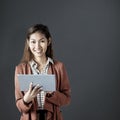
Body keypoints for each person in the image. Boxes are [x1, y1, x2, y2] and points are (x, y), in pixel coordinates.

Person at [14, 24, 71, 120]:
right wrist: (26, 99)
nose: (37, 46)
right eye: (33, 42)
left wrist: (52, 93)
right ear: (28, 43)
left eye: (42, 41)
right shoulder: (20, 69)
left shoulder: (59, 67)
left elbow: (67, 99)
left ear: (48, 41)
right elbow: (19, 105)